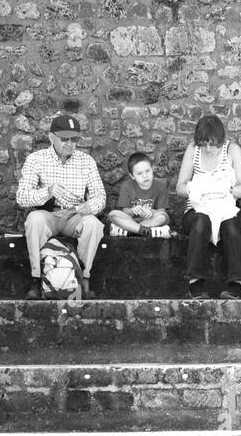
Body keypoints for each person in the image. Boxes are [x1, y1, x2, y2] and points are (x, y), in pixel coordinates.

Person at [15, 114, 106, 300]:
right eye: (65, 139)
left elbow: (100, 197)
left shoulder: (86, 161)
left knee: (94, 224)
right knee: (34, 219)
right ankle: (37, 279)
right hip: (49, 213)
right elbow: (22, 197)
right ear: (51, 137)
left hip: (75, 214)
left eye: (74, 140)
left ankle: (84, 279)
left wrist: (90, 207)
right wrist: (48, 191)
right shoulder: (36, 159)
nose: (70, 144)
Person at [174, 114, 241, 299]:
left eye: (213, 144)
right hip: (197, 210)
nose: (208, 148)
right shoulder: (193, 150)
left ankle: (237, 284)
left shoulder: (232, 150)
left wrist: (227, 190)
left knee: (231, 227)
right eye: (203, 143)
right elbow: (180, 187)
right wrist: (197, 189)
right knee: (201, 222)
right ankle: (195, 283)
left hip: (225, 208)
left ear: (221, 139)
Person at [107, 152, 172, 237]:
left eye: (147, 171)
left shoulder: (161, 187)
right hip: (130, 221)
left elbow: (162, 211)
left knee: (163, 217)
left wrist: (151, 212)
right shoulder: (126, 186)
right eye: (139, 173)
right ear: (132, 176)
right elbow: (125, 211)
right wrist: (132, 210)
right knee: (112, 214)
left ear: (152, 169)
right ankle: (148, 231)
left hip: (150, 221)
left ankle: (130, 231)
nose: (145, 176)